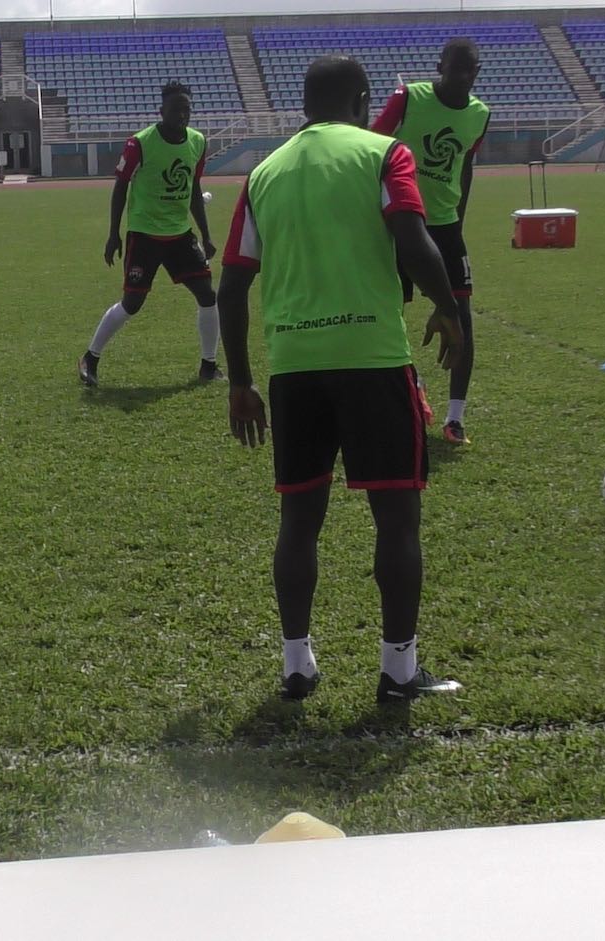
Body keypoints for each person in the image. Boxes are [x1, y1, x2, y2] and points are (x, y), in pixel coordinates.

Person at [219, 56, 466, 703]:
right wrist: (448, 306)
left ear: (305, 105)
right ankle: (399, 672)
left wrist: (240, 380)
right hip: (372, 357)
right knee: (396, 517)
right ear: (361, 100)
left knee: (298, 520)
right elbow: (413, 240)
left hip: (295, 368)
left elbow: (234, 283)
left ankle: (297, 664)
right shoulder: (385, 154)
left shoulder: (263, 174)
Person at [371, 37, 489, 445]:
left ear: (477, 73)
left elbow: (466, 165)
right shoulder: (408, 98)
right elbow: (370, 149)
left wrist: (460, 216)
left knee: (462, 317)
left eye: (469, 70)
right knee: (387, 314)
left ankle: (455, 417)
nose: (461, 76)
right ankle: (412, 384)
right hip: (398, 222)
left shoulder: (480, 115)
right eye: (454, 68)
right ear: (440, 66)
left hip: (445, 227)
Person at [80, 80, 220, 387]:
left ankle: (209, 365)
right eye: (175, 109)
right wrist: (114, 233)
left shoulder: (197, 141)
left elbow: (194, 189)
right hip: (144, 235)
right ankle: (90, 357)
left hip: (181, 234)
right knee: (132, 303)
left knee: (208, 296)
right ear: (161, 111)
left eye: (186, 109)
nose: (182, 115)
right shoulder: (140, 143)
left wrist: (206, 234)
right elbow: (121, 186)